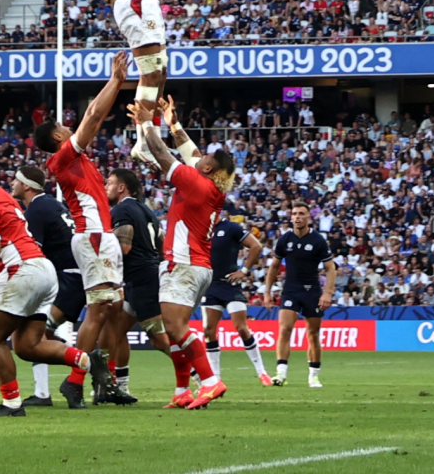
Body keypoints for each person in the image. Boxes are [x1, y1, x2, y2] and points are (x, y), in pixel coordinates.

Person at [0, 157, 111, 417]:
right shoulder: (6, 198)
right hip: (45, 271)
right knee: (27, 346)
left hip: (23, 270)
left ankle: (11, 404)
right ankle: (86, 360)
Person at [32, 51, 132, 404]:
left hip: (100, 236)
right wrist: (115, 81)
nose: (69, 127)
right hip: (93, 237)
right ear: (58, 137)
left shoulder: (76, 159)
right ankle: (75, 381)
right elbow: (93, 115)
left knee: (114, 311)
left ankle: (106, 384)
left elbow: (94, 118)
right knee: (99, 309)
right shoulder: (63, 158)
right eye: (63, 127)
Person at [130, 98, 236, 409]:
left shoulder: (194, 183)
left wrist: (146, 123)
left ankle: (210, 381)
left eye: (205, 157)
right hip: (198, 266)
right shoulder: (213, 187)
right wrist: (172, 122)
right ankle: (181, 391)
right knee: (174, 330)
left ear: (208, 168)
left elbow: (162, 155)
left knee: (175, 328)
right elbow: (189, 151)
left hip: (184, 264)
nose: (199, 156)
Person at [13, 164, 84, 409]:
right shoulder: (52, 204)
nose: (13, 183)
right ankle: (83, 362)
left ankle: (45, 391)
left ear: (26, 186)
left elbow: (34, 252)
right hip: (74, 276)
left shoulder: (36, 209)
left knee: (33, 336)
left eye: (16, 180)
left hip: (66, 278)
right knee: (45, 334)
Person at [262, 202, 337, 389]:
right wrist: (267, 292)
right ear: (291, 217)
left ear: (308, 217)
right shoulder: (284, 239)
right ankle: (281, 373)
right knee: (285, 329)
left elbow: (330, 268)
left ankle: (314, 376)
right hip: (291, 290)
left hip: (312, 291)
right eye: (294, 213)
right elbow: (274, 267)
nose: (297, 217)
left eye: (301, 213)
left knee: (313, 334)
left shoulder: (318, 240)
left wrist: (328, 292)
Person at [108, 167, 164, 406]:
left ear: (122, 187)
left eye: (110, 183)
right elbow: (161, 243)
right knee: (117, 330)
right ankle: (120, 386)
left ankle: (202, 377)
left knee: (159, 339)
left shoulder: (121, 210)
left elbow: (124, 246)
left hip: (141, 279)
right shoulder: (146, 210)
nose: (106, 187)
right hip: (144, 276)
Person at [203, 209, 270, 386]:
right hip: (210, 286)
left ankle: (262, 372)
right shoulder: (201, 230)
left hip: (230, 284)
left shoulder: (231, 227)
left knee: (241, 328)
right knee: (209, 330)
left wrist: (244, 271)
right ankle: (215, 378)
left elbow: (256, 246)